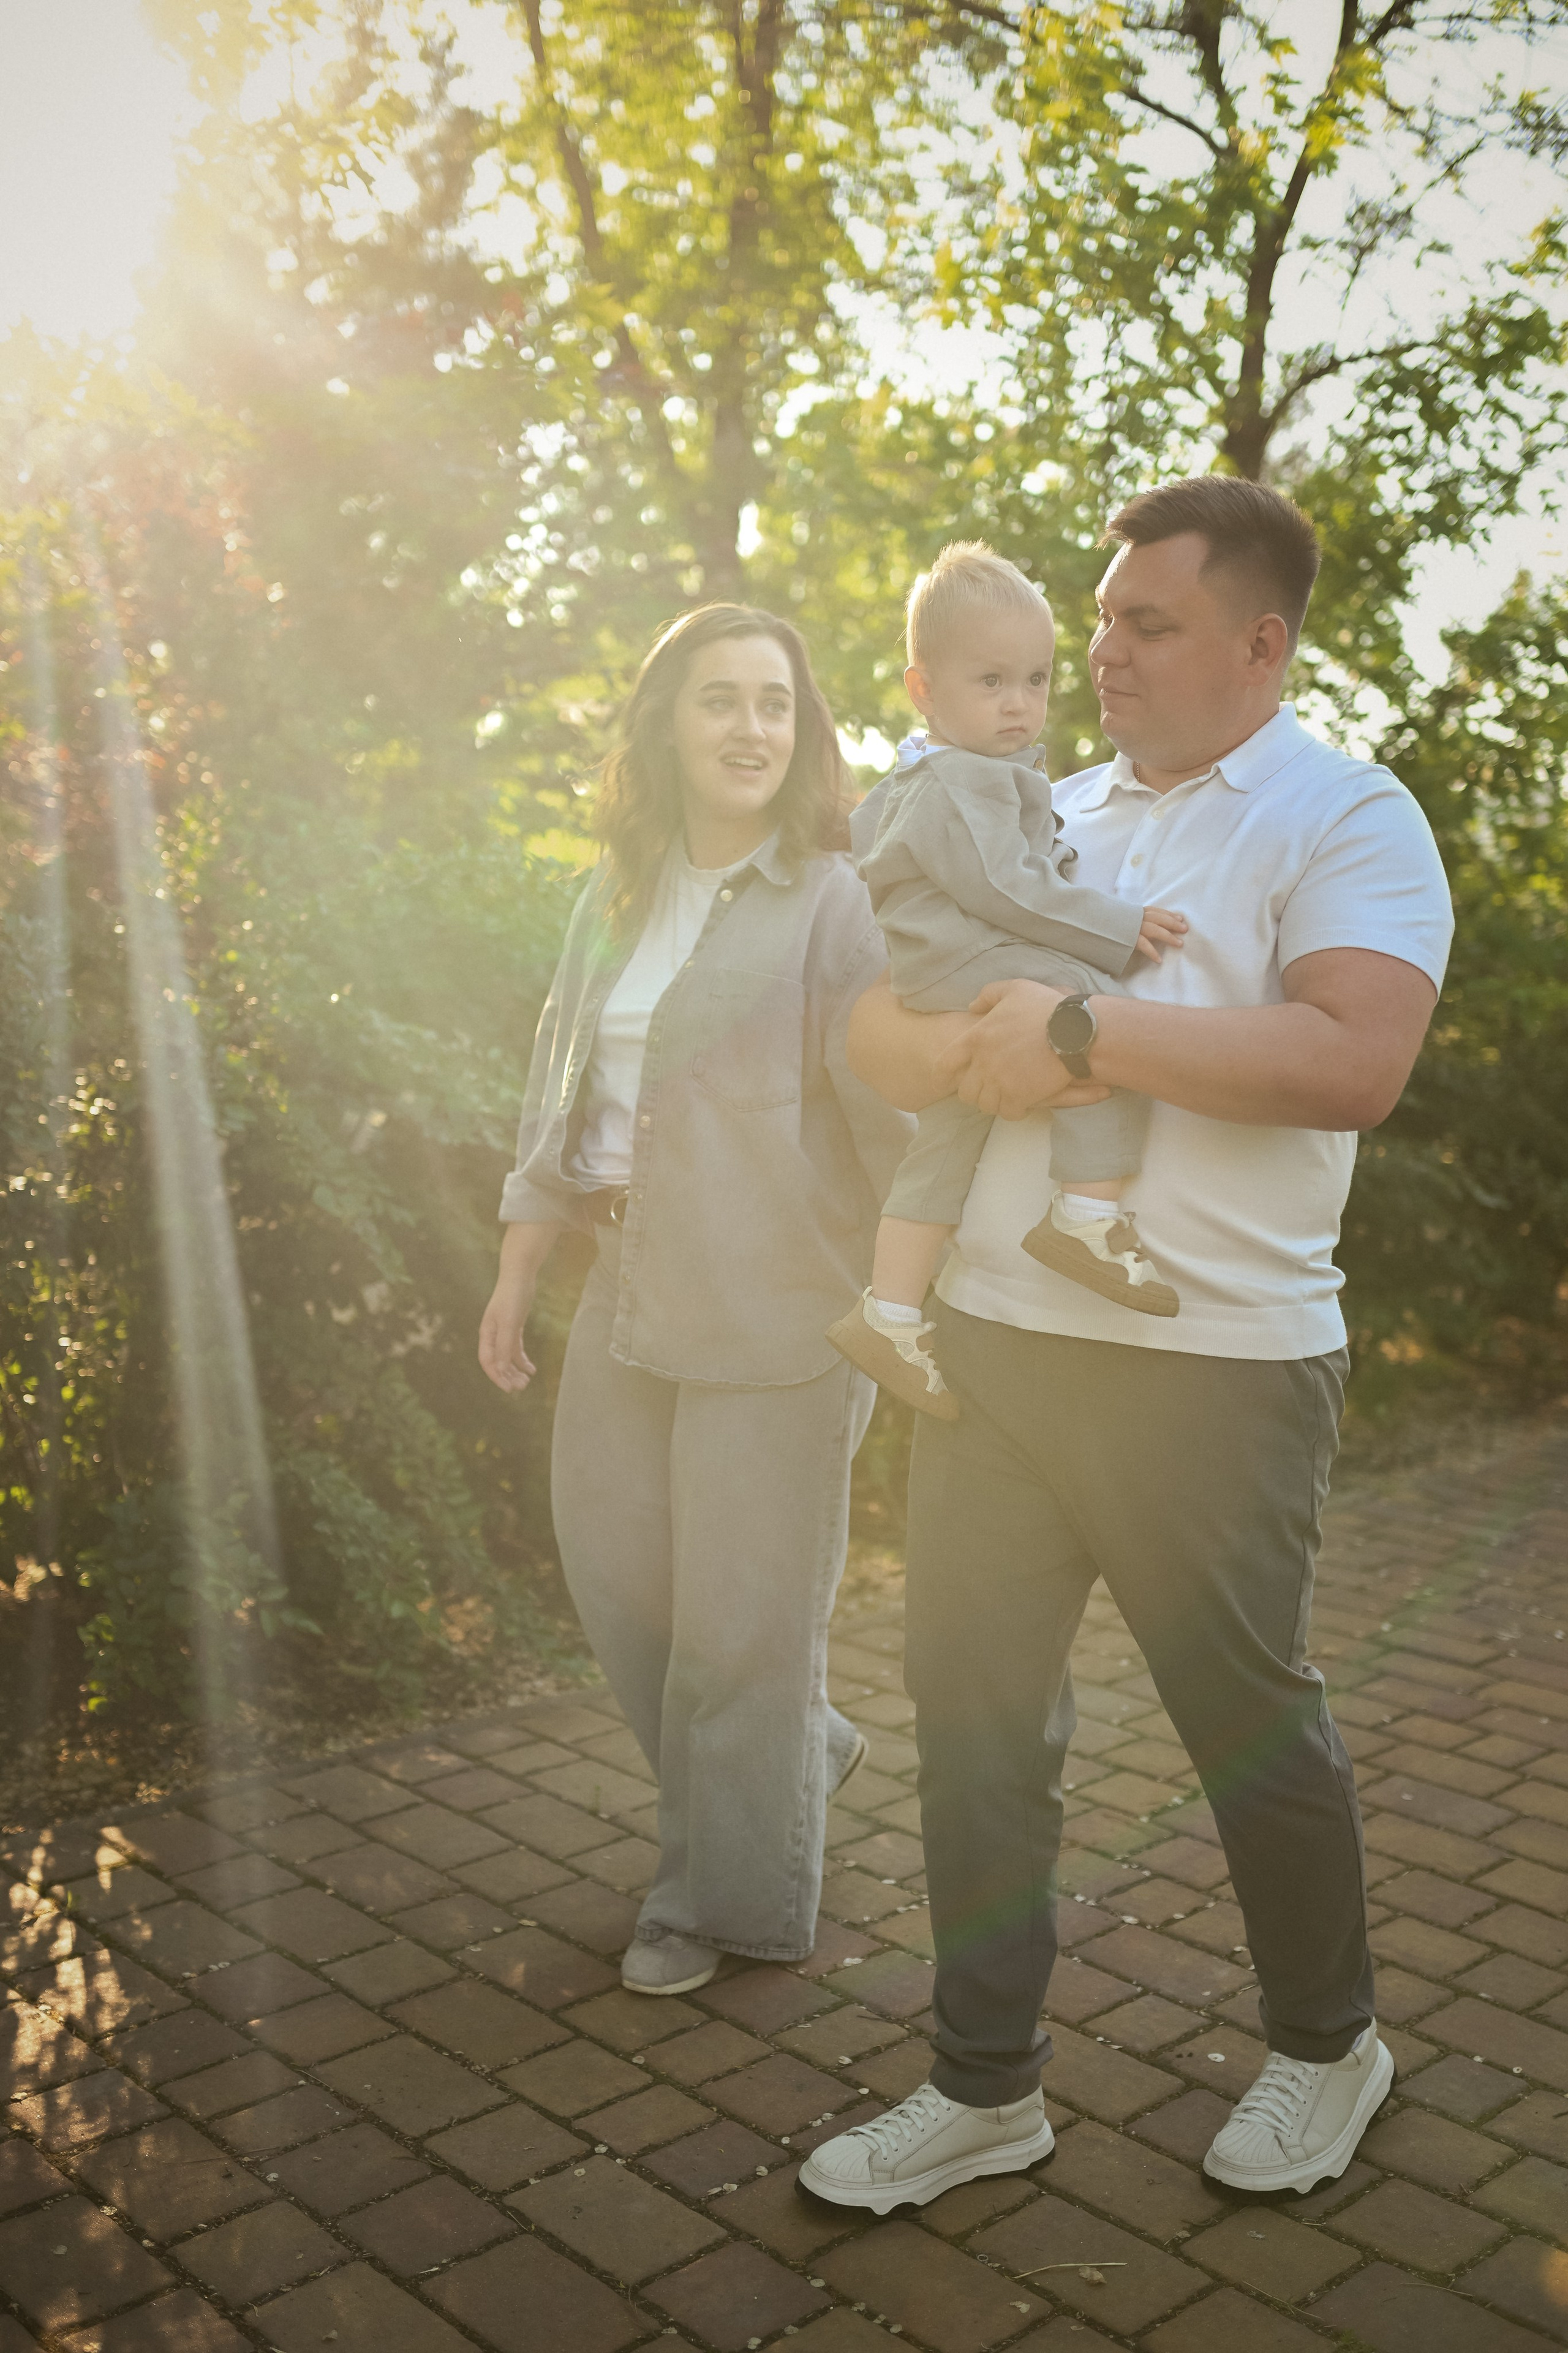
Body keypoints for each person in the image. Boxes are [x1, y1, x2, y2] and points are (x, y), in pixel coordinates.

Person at [800, 477, 1453, 2212]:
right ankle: (982, 2088)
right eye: (1097, 621)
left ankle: (1329, 2045)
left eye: (1145, 624)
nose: (1100, 654)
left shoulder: (1347, 813)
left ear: (1259, 642)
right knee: (973, 1721)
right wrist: (947, 1048)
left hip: (1217, 1361)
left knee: (1246, 1721)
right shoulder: (1029, 802)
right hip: (991, 1348)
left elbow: (1352, 1060)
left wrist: (1082, 1031)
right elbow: (878, 1024)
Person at [479, 605, 911, 1995]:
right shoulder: (612, 896)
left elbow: (892, 1114)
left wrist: (912, 1299)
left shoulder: (836, 899)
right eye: (720, 698)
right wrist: (518, 1266)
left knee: (741, 1629)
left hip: (785, 1303)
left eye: (775, 702)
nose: (750, 727)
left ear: (804, 729)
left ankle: (712, 1902)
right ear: (666, 721)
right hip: (627, 1279)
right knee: (615, 1577)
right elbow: (556, 1088)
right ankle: (788, 1759)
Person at [826, 541, 1188, 1422]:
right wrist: (1115, 927)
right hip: (967, 958)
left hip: (942, 969)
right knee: (1090, 1017)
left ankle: (890, 1311)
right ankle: (1086, 1213)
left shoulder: (940, 775)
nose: (1019, 703)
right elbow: (1006, 888)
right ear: (924, 689)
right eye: (990, 681)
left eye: (1035, 678)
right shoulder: (962, 781)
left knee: (950, 1133)